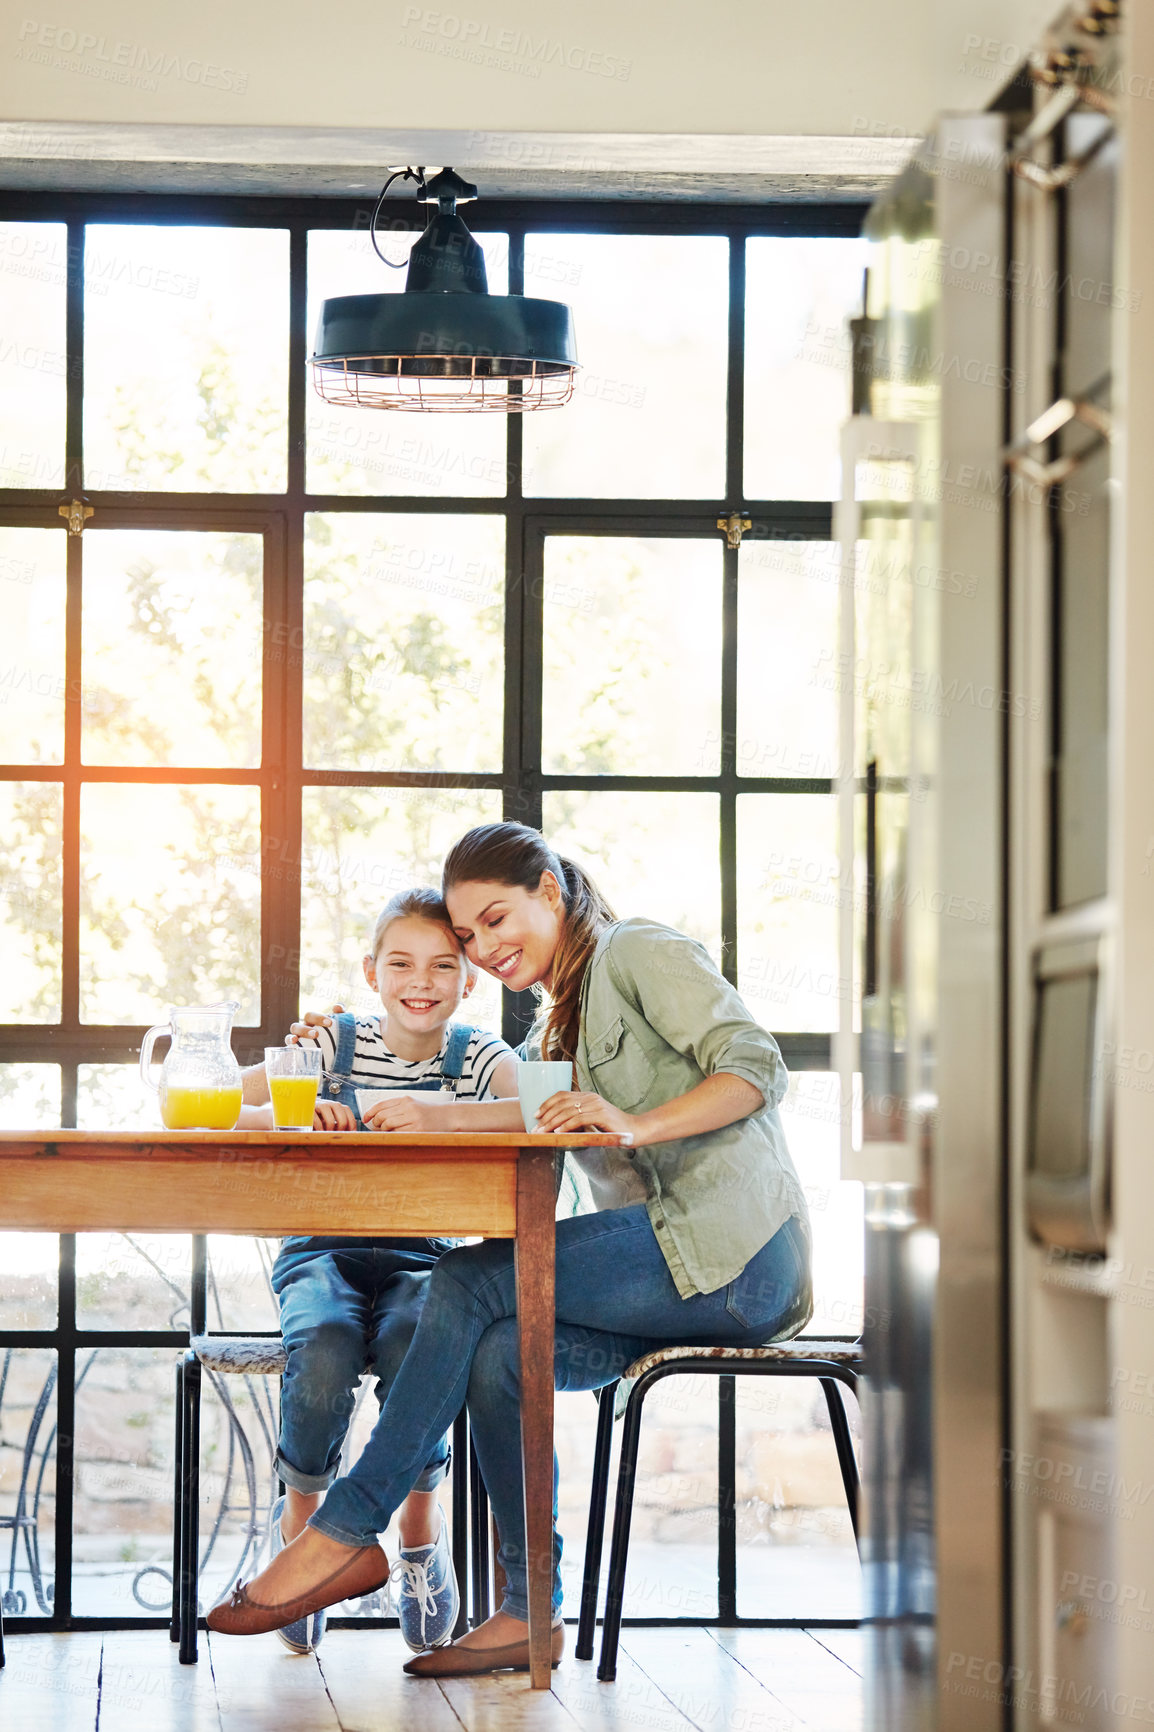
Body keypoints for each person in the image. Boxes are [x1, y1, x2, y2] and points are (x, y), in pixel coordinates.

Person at [209, 823, 812, 1675]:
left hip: (738, 1258)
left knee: (464, 1277)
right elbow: (527, 1108)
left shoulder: (638, 949)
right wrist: (425, 1115)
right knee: (500, 1351)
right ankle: (530, 1616)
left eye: (497, 920)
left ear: (551, 891)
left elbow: (756, 1064)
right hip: (663, 1274)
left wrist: (637, 1123)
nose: (486, 949)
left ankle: (344, 1531)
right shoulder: (558, 1024)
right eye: (469, 938)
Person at [238, 886, 517, 1655]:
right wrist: (291, 1113)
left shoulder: (484, 1059)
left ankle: (420, 1531)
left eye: (442, 966)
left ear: (469, 981)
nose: (420, 981)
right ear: (371, 971)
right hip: (319, 1249)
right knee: (325, 1349)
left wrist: (444, 1119)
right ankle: (304, 1533)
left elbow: (538, 1112)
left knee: (413, 1343)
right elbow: (222, 1106)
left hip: (425, 1255)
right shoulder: (331, 1044)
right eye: (400, 963)